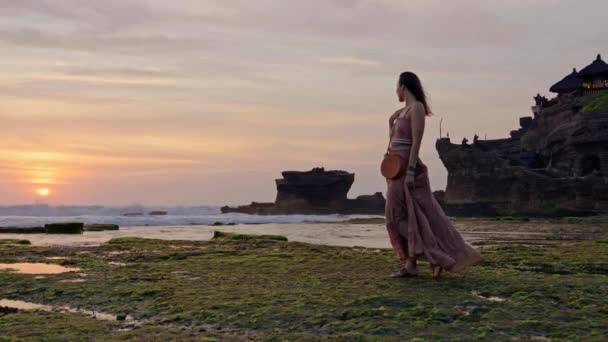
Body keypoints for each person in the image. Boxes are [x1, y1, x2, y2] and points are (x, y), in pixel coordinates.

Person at [385, 71, 481, 278]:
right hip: (395, 169)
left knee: (395, 218)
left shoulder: (417, 108)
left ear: (403, 86)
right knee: (411, 217)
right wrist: (390, 121)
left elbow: (416, 142)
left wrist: (410, 171)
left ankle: (436, 257)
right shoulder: (402, 112)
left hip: (407, 169)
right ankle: (411, 265)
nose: (395, 91)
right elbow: (392, 143)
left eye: (396, 87)